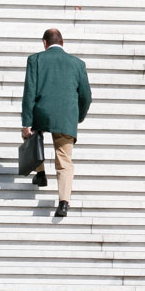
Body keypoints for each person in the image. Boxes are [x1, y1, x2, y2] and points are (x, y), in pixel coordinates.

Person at [21, 28, 92, 218]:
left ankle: (41, 172)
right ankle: (63, 202)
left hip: (41, 113)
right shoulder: (78, 64)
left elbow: (29, 93)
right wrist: (79, 116)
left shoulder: (35, 60)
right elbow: (86, 96)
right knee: (64, 160)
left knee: (33, 136)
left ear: (44, 43)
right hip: (66, 116)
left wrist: (26, 122)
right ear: (63, 42)